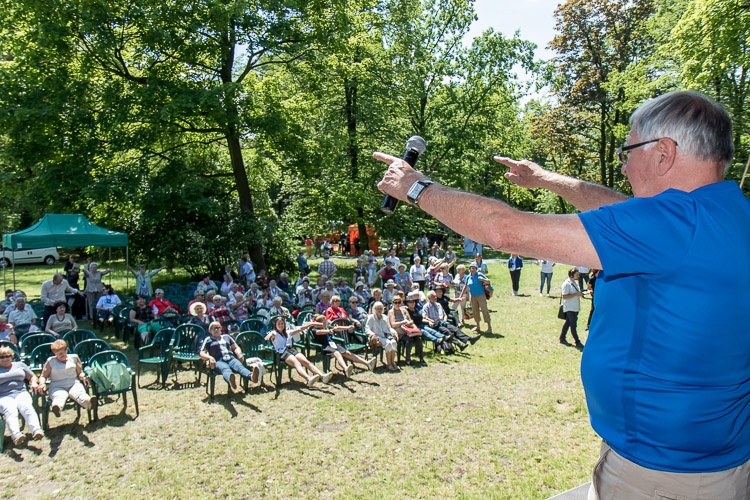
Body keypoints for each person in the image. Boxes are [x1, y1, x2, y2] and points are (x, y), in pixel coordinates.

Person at [375, 90, 750, 497]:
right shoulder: (722, 212)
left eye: (628, 152)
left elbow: (503, 230)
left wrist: (415, 187)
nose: (623, 167)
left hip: (661, 477)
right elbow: (620, 206)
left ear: (663, 153)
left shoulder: (674, 224)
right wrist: (544, 178)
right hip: (708, 460)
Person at [264, 316, 332, 387]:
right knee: (297, 363)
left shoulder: (288, 332)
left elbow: (300, 329)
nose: (281, 325)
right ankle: (308, 379)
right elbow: (272, 334)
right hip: (282, 353)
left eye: (282, 323)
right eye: (279, 324)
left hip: (291, 349)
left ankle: (322, 376)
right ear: (275, 325)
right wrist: (270, 334)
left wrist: (311, 324)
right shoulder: (274, 333)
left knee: (306, 361)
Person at [37, 339, 95, 417]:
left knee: (79, 394)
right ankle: (57, 408)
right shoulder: (51, 361)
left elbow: (80, 372)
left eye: (62, 352)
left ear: (66, 350)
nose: (61, 355)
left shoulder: (74, 358)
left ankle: (89, 403)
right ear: (55, 353)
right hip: (57, 386)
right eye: (58, 354)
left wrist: (83, 376)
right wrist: (42, 383)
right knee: (59, 396)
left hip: (73, 383)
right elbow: (43, 376)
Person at [0, 346, 44, 445]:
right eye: (1, 357)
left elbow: (32, 376)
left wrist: (33, 383)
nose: (5, 359)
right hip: (3, 396)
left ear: (12, 356)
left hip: (21, 392)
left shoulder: (20, 365)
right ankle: (16, 435)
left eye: (7, 356)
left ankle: (36, 430)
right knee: (10, 409)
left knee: (26, 406)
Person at [200, 322, 260, 391]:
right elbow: (202, 353)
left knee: (240, 367)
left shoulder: (227, 337)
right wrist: (210, 358)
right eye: (214, 328)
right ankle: (231, 380)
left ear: (221, 329)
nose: (216, 330)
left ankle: (252, 377)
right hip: (219, 360)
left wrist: (239, 354)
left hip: (231, 358)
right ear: (210, 331)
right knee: (225, 369)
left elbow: (235, 347)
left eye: (218, 328)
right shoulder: (208, 340)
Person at [312, 314, 376, 377]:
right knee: (337, 353)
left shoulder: (326, 327)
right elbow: (319, 332)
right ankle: (346, 369)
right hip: (325, 347)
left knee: (347, 353)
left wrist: (348, 327)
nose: (325, 323)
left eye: (325, 322)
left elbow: (337, 328)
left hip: (333, 345)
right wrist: (328, 331)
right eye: (324, 322)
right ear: (318, 323)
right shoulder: (314, 329)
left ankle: (367, 363)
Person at [387, 295, 425, 367]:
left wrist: (409, 322)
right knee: (409, 340)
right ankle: (408, 360)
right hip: (399, 333)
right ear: (393, 303)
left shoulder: (404, 310)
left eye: (399, 302)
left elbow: (410, 320)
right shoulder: (391, 312)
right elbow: (393, 324)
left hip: (409, 331)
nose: (397, 304)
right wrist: (403, 322)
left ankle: (421, 358)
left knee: (418, 339)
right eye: (395, 302)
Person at [365, 301, 399, 371]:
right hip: (377, 336)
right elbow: (367, 329)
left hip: (386, 335)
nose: (379, 310)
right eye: (377, 308)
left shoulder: (385, 317)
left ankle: (392, 362)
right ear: (374, 309)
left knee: (393, 342)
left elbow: (389, 328)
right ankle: (389, 364)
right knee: (388, 343)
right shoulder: (371, 317)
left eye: (380, 308)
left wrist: (394, 332)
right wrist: (372, 334)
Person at [560, 268, 585, 348]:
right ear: (571, 275)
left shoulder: (574, 282)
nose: (578, 276)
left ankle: (562, 338)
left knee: (568, 323)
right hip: (570, 307)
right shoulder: (567, 284)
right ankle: (577, 341)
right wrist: (576, 294)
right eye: (577, 274)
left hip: (574, 307)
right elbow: (564, 296)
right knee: (573, 325)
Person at [465, 264, 492, 334]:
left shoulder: (479, 275)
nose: (472, 269)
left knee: (484, 310)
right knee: (475, 311)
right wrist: (466, 295)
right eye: (471, 268)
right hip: (473, 296)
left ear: (476, 269)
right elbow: (466, 286)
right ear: (469, 269)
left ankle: (489, 327)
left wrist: (482, 279)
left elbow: (488, 281)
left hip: (481, 295)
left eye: (474, 268)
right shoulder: (468, 277)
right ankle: (477, 326)